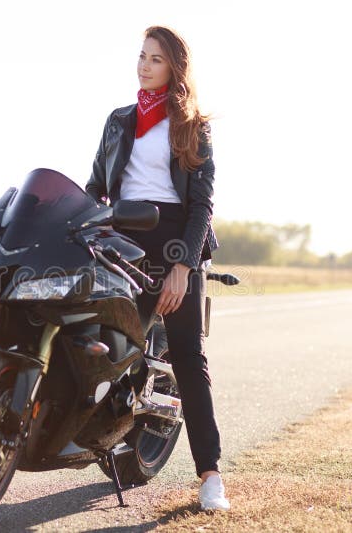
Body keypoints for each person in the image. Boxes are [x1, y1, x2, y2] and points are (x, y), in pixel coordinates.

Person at [85, 25, 229, 512]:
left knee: (188, 356)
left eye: (156, 59)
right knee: (98, 337)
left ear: (174, 69)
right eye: (142, 56)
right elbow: (94, 190)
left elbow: (202, 205)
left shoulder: (192, 126)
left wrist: (183, 268)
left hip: (173, 242)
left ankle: (210, 477)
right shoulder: (118, 121)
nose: (144, 65)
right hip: (121, 238)